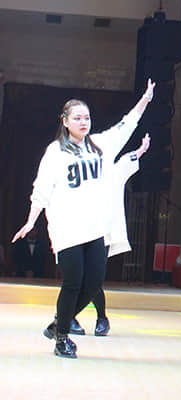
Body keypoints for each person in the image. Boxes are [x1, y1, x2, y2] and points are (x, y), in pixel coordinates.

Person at [12, 79, 155, 358]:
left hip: (96, 229)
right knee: (73, 283)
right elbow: (41, 189)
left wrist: (146, 99)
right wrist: (31, 220)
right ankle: (62, 338)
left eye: (86, 117)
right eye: (77, 118)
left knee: (92, 285)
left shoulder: (101, 144)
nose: (83, 122)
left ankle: (58, 324)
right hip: (67, 230)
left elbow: (128, 124)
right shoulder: (55, 152)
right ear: (65, 121)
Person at [70, 134, 151, 337]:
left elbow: (129, 159)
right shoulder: (79, 171)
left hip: (102, 233)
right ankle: (69, 317)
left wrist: (142, 149)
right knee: (76, 276)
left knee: (93, 278)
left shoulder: (114, 171)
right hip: (77, 231)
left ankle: (100, 317)